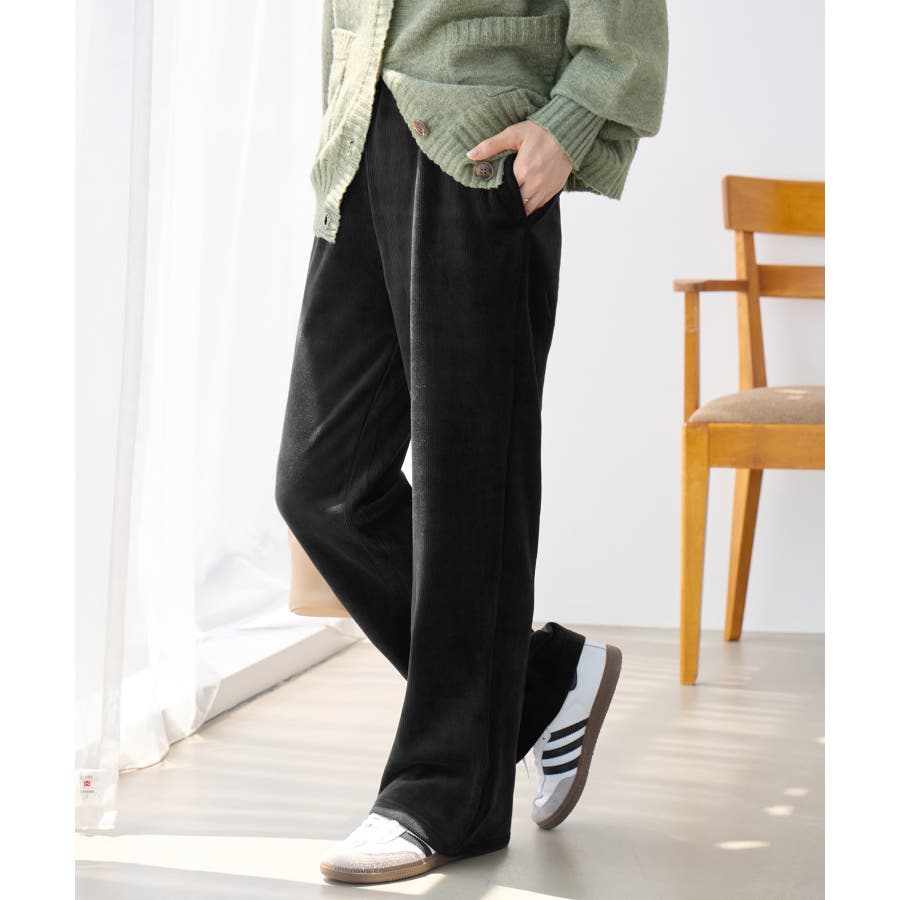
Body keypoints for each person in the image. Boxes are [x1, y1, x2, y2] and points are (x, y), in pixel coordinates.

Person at [275, 0, 669, 885]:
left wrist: (568, 125)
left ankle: (444, 795)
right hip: (361, 140)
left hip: (478, 150)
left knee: (467, 491)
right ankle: (541, 680)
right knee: (322, 486)